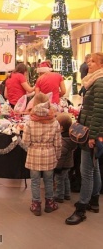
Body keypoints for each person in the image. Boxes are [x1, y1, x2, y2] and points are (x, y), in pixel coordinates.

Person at [65, 52, 103, 225]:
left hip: (91, 132)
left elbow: (99, 112)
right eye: (88, 60)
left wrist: (94, 136)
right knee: (94, 168)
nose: (89, 63)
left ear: (101, 65)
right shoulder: (92, 80)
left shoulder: (100, 82)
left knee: (86, 170)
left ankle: (81, 208)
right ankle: (94, 201)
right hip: (90, 129)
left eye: (93, 61)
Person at [22, 92, 62, 216]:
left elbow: (25, 141)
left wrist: (32, 146)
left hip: (34, 154)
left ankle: (36, 205)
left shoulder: (30, 122)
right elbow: (58, 143)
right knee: (49, 181)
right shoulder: (54, 122)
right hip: (49, 154)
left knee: (34, 181)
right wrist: (57, 155)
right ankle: (50, 204)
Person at [54, 113, 77, 203]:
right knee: (66, 179)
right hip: (68, 164)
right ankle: (67, 194)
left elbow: (61, 156)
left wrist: (57, 167)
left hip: (62, 165)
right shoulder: (70, 138)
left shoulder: (63, 141)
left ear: (61, 128)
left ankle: (59, 196)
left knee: (59, 180)